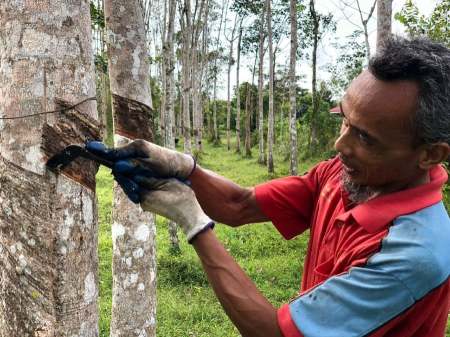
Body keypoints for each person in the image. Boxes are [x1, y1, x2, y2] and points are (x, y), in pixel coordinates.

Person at [87, 36, 450, 337]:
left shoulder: (414, 256)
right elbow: (239, 205)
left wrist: (193, 223)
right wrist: (186, 167)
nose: (340, 146)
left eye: (366, 138)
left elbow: (273, 334)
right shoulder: (345, 176)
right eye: (345, 121)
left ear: (430, 154)